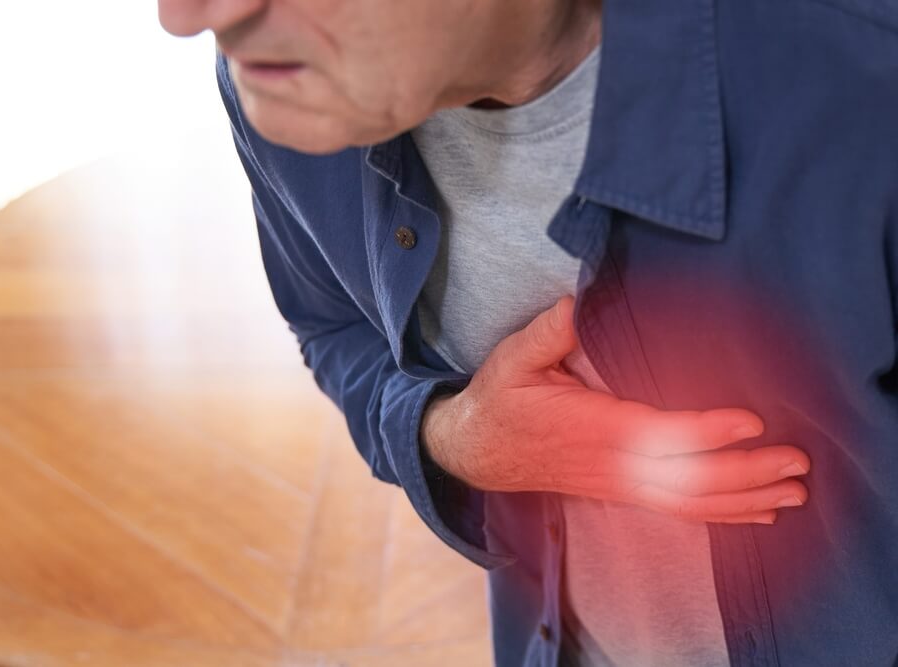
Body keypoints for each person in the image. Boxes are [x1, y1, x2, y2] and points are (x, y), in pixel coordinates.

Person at [158, 1, 898, 665]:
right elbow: (331, 325)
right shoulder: (279, 82)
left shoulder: (867, 81)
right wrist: (455, 436)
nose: (185, 16)